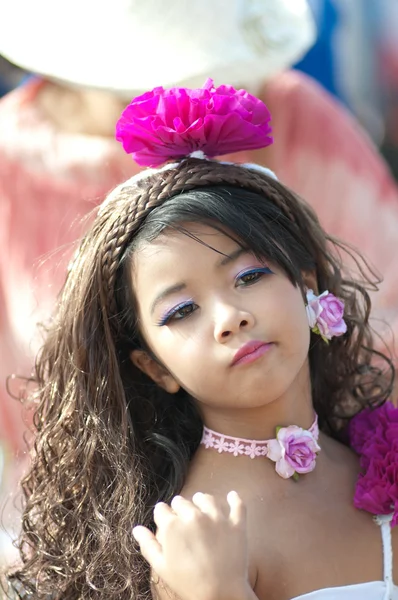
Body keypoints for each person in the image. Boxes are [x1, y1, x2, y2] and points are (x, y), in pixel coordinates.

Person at [4, 79, 397, 600]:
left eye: (249, 278)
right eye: (183, 310)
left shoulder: (379, 461)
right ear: (154, 367)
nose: (230, 317)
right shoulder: (195, 540)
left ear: (306, 286)